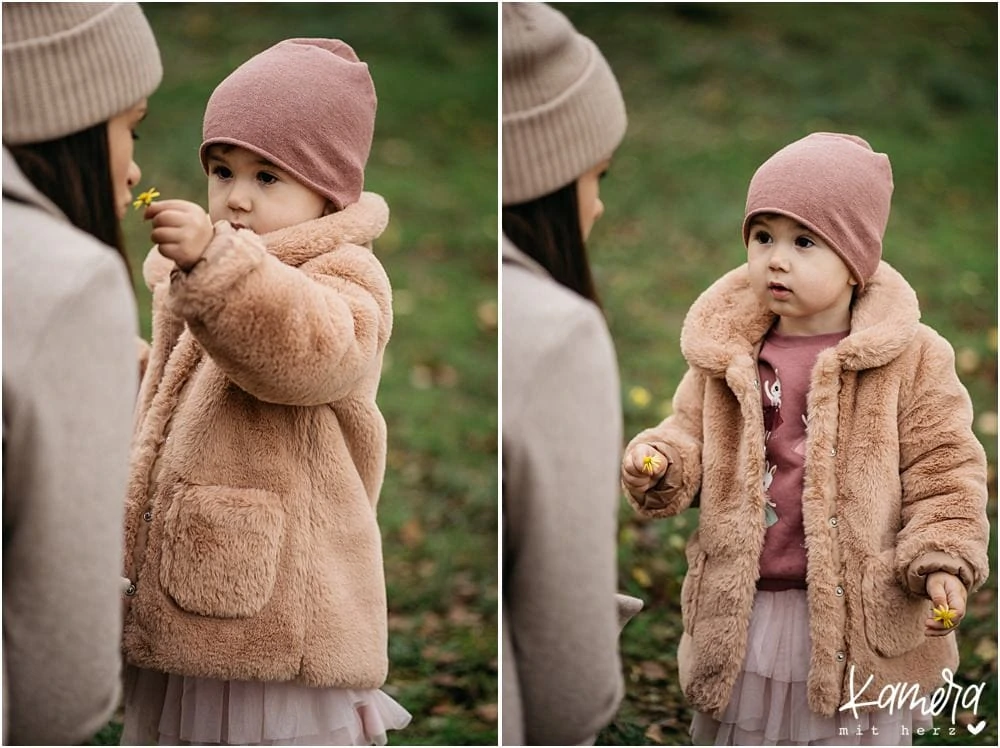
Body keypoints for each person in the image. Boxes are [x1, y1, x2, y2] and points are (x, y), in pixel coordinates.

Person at [621, 132, 990, 745]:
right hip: (751, 604)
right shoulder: (731, 352)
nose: (776, 259)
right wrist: (664, 460)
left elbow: (945, 468)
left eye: (804, 241)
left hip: (853, 607)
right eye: (762, 236)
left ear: (856, 264)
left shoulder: (911, 359)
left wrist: (942, 554)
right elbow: (690, 431)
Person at [118, 38, 410, 745]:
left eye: (268, 177)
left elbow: (307, 356)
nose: (237, 197)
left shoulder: (343, 277)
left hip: (276, 602)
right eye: (222, 170)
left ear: (329, 189)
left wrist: (219, 265)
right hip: (198, 573)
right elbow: (177, 392)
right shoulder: (206, 271)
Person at [2, 3, 163, 744]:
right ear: (65, 112)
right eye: (129, 124)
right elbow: (61, 684)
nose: (133, 167)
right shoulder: (65, 281)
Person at [502, 3, 641, 745]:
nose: (600, 203)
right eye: (597, 176)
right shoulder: (557, 335)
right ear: (552, 178)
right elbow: (571, 692)